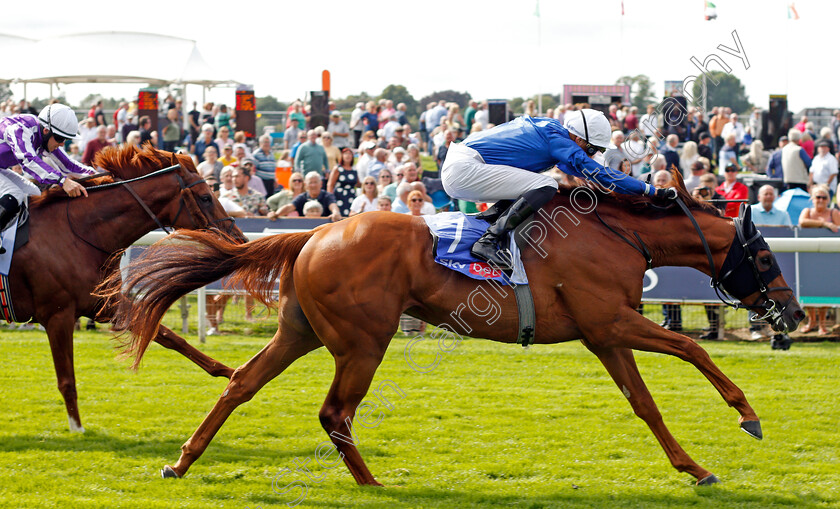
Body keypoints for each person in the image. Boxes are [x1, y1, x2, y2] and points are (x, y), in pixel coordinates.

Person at [441, 110, 675, 269]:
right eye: (591, 148)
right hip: (464, 169)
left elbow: (580, 169)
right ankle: (489, 240)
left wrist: (623, 184)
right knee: (547, 184)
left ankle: (491, 220)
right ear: (578, 137)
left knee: (536, 181)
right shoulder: (559, 140)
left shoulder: (553, 129)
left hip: (463, 164)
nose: (591, 153)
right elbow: (598, 173)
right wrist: (650, 190)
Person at [0, 104, 95, 252]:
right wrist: (62, 181)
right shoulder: (21, 129)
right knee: (14, 194)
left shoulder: (45, 137)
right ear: (46, 131)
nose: (63, 143)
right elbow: (28, 160)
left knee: (35, 194)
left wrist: (99, 174)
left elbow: (68, 165)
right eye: (60, 138)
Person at [798, 184, 839, 335]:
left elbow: (838, 229)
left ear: (828, 199)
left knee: (824, 289)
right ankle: (812, 321)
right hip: (808, 258)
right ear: (812, 199)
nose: (821, 200)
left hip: (827, 259)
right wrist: (824, 224)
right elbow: (802, 222)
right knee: (809, 288)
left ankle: (822, 324)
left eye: (824, 197)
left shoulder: (834, 212)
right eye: (818, 197)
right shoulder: (807, 211)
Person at [275, 172, 341, 221]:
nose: (313, 185)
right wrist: (276, 214)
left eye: (315, 182)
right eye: (310, 183)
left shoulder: (327, 196)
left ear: (321, 184)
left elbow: (333, 206)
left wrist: (335, 213)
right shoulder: (302, 197)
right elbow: (289, 207)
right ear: (305, 185)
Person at [327, 147, 359, 217]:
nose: (348, 156)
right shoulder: (338, 168)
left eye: (350, 154)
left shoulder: (354, 169)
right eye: (346, 154)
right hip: (339, 196)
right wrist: (330, 199)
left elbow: (358, 183)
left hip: (351, 196)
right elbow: (330, 184)